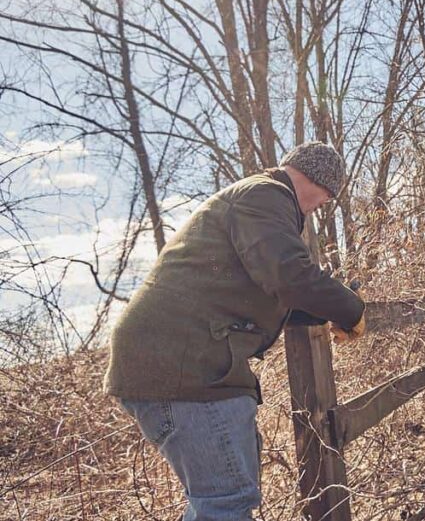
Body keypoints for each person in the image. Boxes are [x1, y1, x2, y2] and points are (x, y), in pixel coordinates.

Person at [105, 142, 366, 521]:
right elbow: (288, 276)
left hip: (183, 359)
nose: (323, 204)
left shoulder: (258, 200)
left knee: (216, 501)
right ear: (317, 180)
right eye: (327, 194)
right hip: (185, 366)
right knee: (225, 502)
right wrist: (351, 307)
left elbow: (267, 294)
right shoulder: (266, 195)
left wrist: (324, 314)